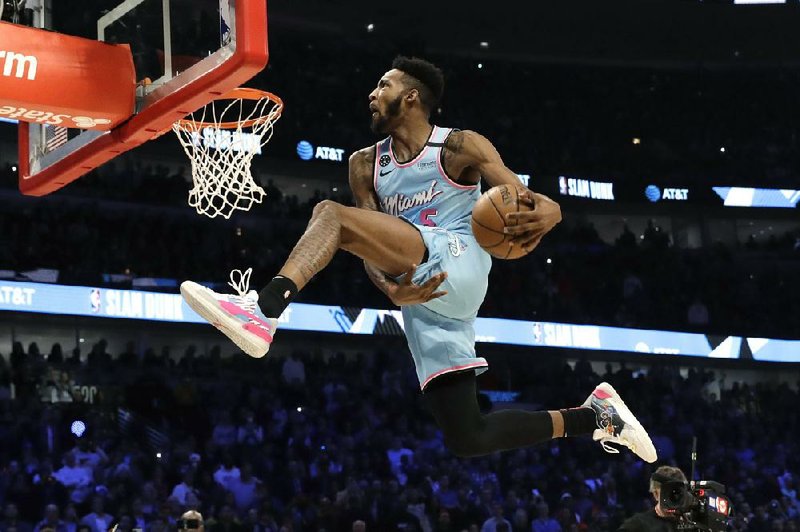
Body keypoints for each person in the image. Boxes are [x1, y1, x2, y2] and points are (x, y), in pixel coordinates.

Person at [180, 56, 656, 462]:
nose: (371, 93)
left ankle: (263, 310)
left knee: (328, 212)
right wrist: (389, 289)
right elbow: (364, 242)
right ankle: (594, 416)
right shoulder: (364, 163)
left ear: (411, 98)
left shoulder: (457, 145)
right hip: (420, 295)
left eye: (383, 85)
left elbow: (520, 197)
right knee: (469, 436)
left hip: (458, 257)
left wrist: (551, 210)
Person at [617, 466, 687, 531]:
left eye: (677, 492)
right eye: (669, 492)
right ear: (655, 494)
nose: (674, 497)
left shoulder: (692, 522)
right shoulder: (636, 525)